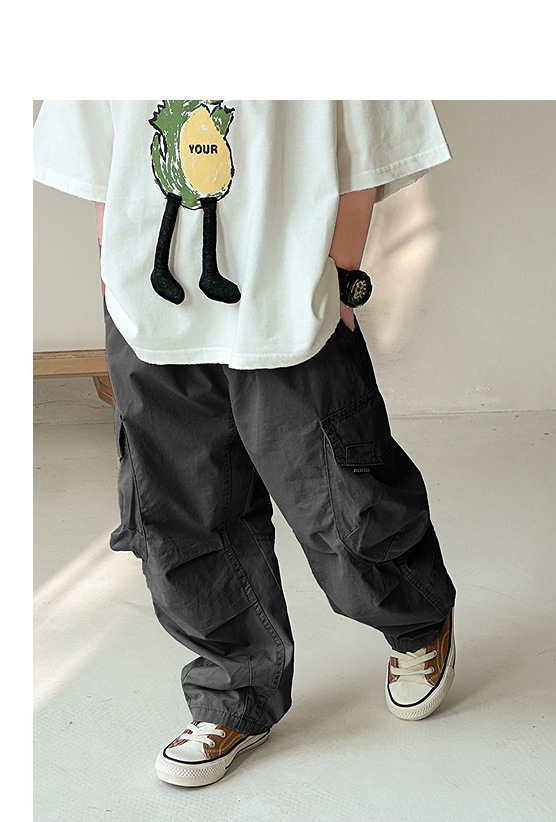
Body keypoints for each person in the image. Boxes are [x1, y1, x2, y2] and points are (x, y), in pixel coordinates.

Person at [33, 100, 457, 788]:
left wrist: (342, 273)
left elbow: (370, 132)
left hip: (291, 289)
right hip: (153, 307)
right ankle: (234, 694)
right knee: (182, 510)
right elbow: (97, 144)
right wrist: (113, 267)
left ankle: (417, 621)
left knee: (339, 491)